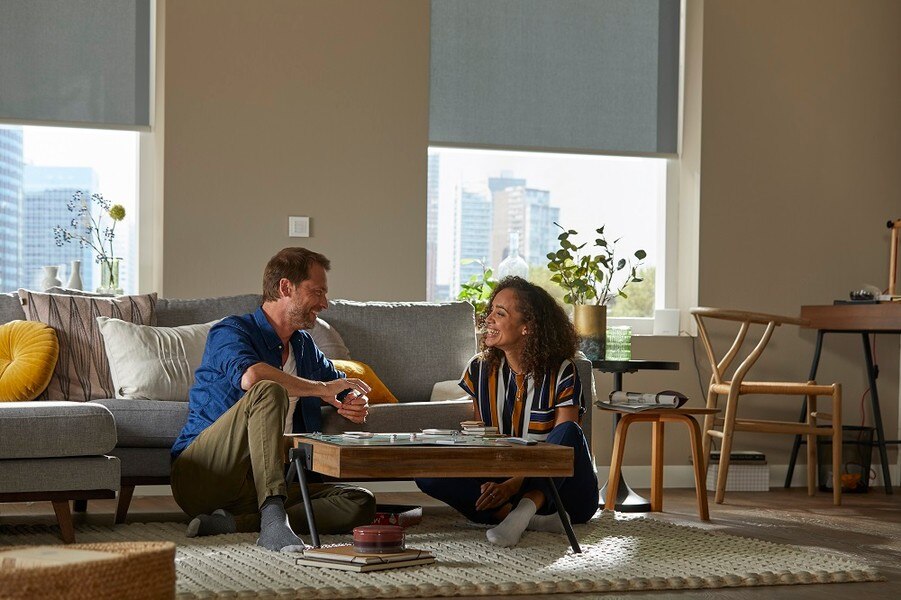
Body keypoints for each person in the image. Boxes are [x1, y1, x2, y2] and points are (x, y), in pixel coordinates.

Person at [170, 247, 377, 552]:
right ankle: (272, 523)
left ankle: (241, 522)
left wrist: (352, 400)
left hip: (267, 481)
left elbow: (338, 385)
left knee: (360, 501)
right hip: (204, 475)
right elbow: (252, 378)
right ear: (285, 287)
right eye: (317, 291)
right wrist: (323, 390)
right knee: (269, 390)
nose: (324, 303)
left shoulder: (304, 346)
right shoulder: (231, 331)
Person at [416, 276, 599, 547]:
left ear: (527, 327)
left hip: (566, 495)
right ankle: (528, 519)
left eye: (499, 313)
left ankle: (523, 512)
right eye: (491, 311)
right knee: (425, 469)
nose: (489, 319)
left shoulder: (562, 370)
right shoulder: (479, 369)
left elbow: (562, 453)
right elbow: (484, 440)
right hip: (504, 481)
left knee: (569, 433)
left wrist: (513, 485)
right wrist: (489, 478)